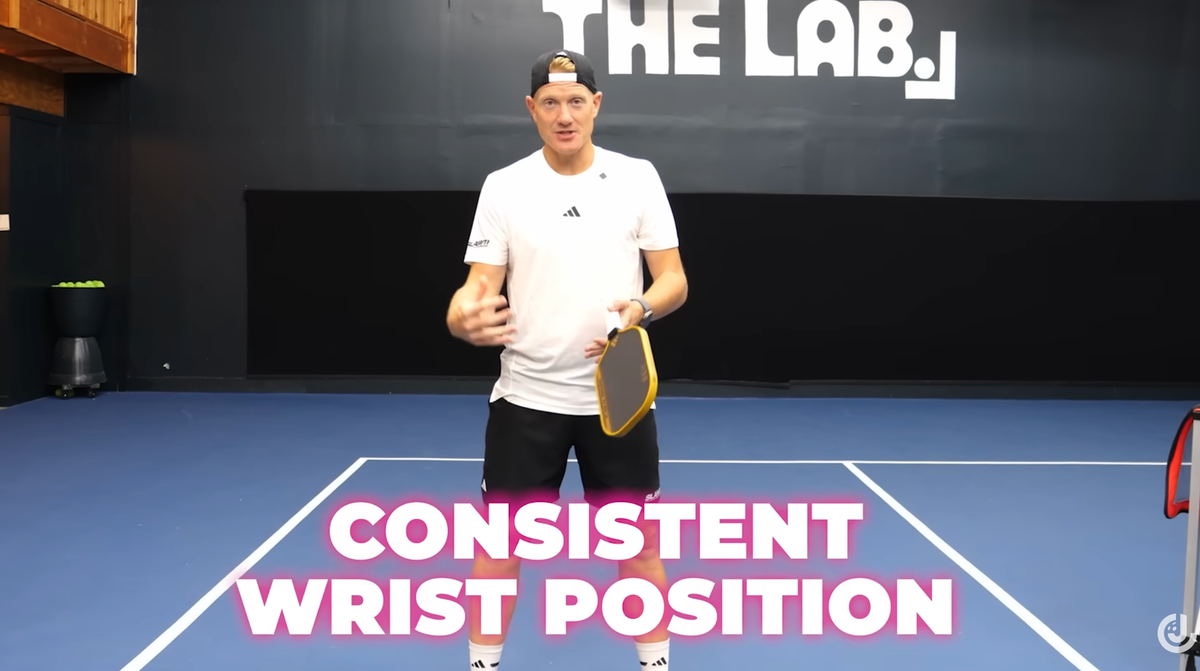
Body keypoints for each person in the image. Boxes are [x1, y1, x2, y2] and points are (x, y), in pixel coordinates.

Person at [445, 49, 688, 670]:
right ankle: (483, 665)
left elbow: (673, 280)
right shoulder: (505, 186)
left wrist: (640, 307)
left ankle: (655, 664)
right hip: (527, 399)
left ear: (596, 105)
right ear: (532, 108)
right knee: (500, 547)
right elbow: (478, 284)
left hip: (618, 400)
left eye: (576, 101)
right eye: (550, 103)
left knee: (637, 546)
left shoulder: (637, 178)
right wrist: (461, 314)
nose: (564, 115)